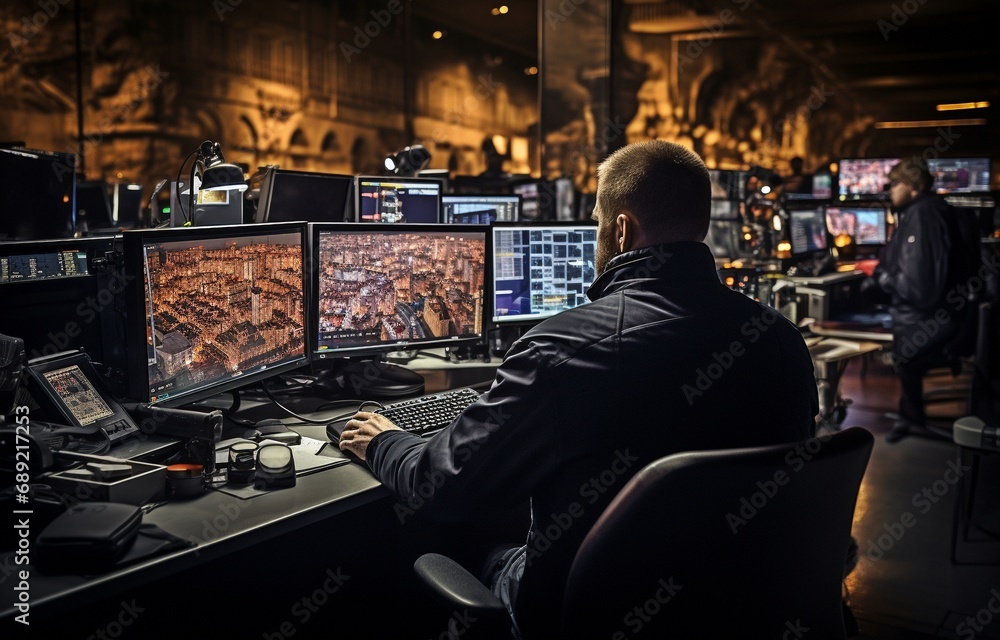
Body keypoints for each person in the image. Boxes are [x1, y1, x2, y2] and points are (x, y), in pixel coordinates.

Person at [339, 140, 819, 639]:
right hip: (738, 607)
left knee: (452, 536)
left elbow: (445, 486)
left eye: (596, 221)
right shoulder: (781, 340)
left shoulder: (560, 350)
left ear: (621, 228)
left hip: (585, 613)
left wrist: (384, 439)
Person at [873, 157, 975, 443]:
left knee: (901, 351)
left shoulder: (921, 215)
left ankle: (912, 417)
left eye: (895, 184)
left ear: (913, 186)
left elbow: (917, 288)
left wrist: (880, 277)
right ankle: (911, 414)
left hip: (929, 320)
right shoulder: (936, 209)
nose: (890, 190)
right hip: (950, 315)